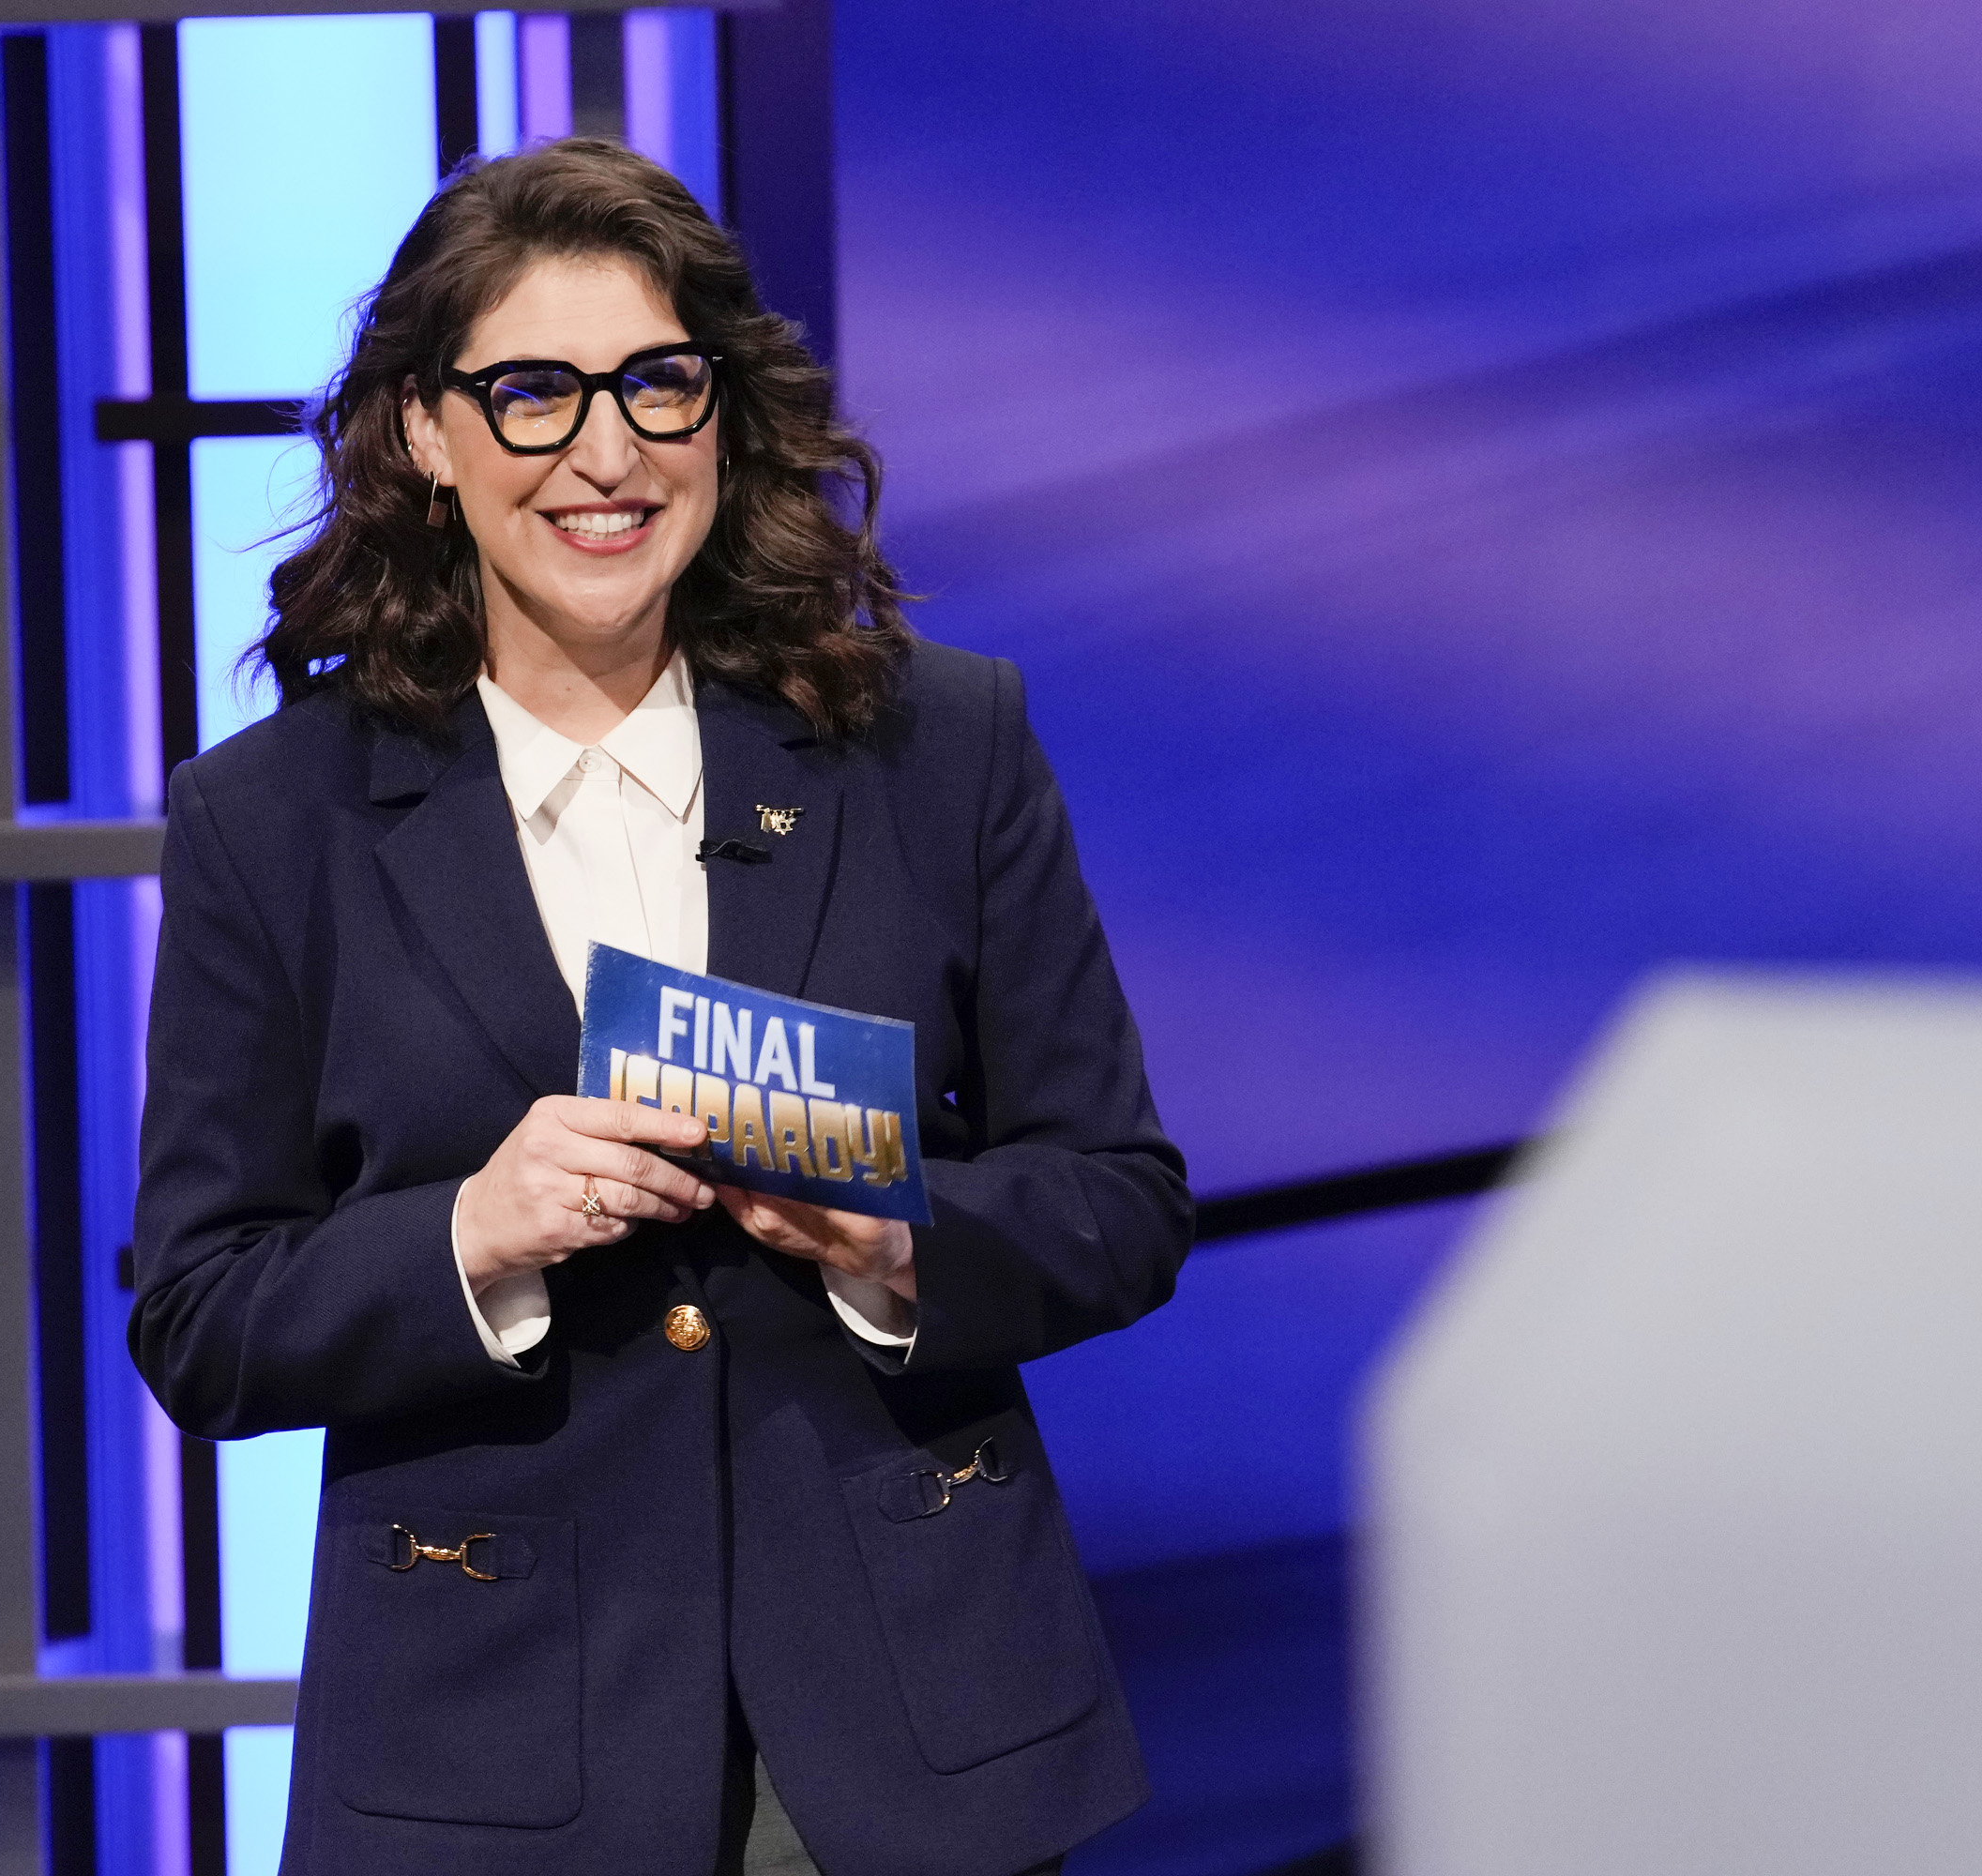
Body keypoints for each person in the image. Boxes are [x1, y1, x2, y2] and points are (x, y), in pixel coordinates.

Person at [130, 137, 1195, 1876]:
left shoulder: (937, 747)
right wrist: (470, 1236)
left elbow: (1122, 1201)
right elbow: (201, 1316)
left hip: (912, 1730)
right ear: (424, 429)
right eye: (535, 394)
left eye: (656, 386)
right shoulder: (277, 821)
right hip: (492, 1749)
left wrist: (895, 1247)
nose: (606, 455)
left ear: (724, 414)